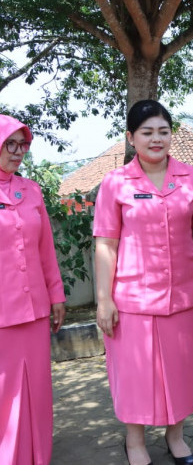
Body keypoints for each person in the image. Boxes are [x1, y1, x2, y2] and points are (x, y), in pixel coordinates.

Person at [93, 100, 193, 465]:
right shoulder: (115, 183)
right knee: (136, 375)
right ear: (131, 138)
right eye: (147, 132)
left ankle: (176, 435)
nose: (156, 139)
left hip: (186, 295)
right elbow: (106, 243)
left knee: (182, 369)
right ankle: (134, 441)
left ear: (172, 135)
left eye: (163, 132)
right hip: (132, 298)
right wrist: (104, 299)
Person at [0, 115, 66, 465]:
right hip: (2, 317)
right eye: (10, 144)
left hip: (35, 310)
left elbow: (45, 251)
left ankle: (39, 456)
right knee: (4, 394)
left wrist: (56, 296)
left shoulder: (31, 190)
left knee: (38, 390)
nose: (18, 152)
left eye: (22, 145)